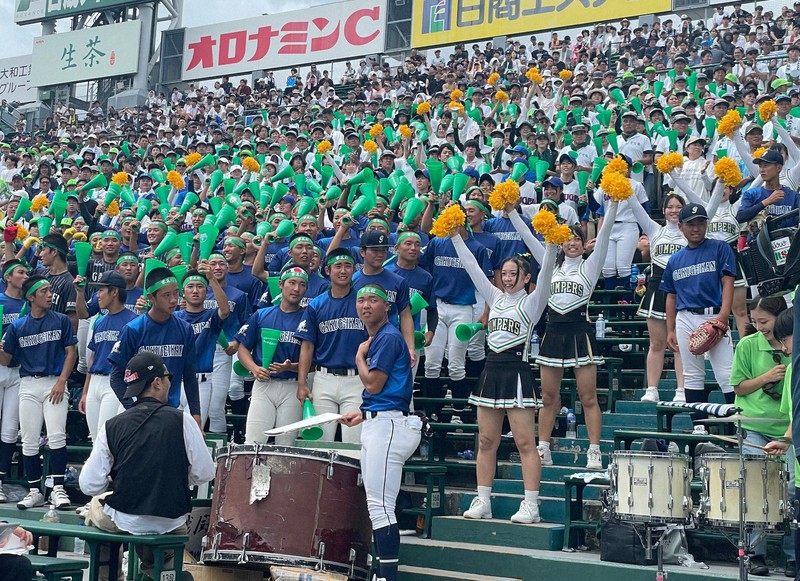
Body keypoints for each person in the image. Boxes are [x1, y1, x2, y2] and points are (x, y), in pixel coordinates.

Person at [448, 207, 556, 523]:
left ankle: (531, 504)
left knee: (524, 442)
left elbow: (547, 274)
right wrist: (454, 236)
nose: (507, 279)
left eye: (513, 274)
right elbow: (472, 267)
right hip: (491, 373)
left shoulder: (532, 303)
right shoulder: (494, 297)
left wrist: (551, 246)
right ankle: (483, 500)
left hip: (517, 374)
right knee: (486, 441)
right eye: (504, 274)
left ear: (526, 277)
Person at [79, 351, 215, 578]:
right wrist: (176, 477)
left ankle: (107, 576)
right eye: (169, 376)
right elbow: (205, 473)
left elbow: (89, 484)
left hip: (125, 515)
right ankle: (160, 570)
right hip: (171, 518)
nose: (170, 381)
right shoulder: (183, 420)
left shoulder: (112, 425)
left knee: (95, 508)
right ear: (157, 382)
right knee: (159, 534)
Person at [518, 199, 620, 470]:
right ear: (559, 242)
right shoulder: (550, 264)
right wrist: (511, 213)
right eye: (568, 238)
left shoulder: (590, 266)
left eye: (577, 238)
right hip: (552, 331)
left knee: (588, 396)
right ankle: (543, 447)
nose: (572, 243)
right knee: (548, 398)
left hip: (579, 332)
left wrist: (612, 205)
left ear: (584, 244)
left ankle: (594, 450)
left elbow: (605, 233)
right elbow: (528, 237)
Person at [338, 283, 421, 581]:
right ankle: (383, 574)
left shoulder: (386, 337)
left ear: (387, 306)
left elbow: (373, 385)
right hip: (379, 420)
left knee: (381, 506)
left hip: (389, 426)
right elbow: (386, 390)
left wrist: (359, 358)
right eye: (361, 300)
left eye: (373, 300)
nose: (365, 305)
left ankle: (388, 576)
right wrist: (362, 413)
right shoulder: (380, 337)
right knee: (378, 505)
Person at [0, 275, 77, 509]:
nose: (50, 295)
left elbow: (71, 352)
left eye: (50, 290)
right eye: (44, 291)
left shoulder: (61, 320)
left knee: (57, 435)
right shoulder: (18, 326)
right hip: (28, 384)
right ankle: (35, 491)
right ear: (31, 297)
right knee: (29, 439)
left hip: (55, 381)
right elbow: (7, 360)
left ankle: (58, 489)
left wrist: (62, 381)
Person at [730, 296, 793, 576]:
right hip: (755, 426)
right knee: (758, 487)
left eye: (764, 321)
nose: (759, 327)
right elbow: (738, 387)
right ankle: (756, 553)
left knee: (792, 491)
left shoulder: (793, 346)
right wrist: (766, 377)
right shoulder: (747, 345)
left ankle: (793, 556)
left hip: (789, 428)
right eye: (754, 321)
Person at [663, 204, 736, 410]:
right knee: (692, 374)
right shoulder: (675, 259)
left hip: (714, 314)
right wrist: (670, 329)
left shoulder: (720, 248)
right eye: (691, 224)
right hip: (685, 317)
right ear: (681, 227)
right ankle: (699, 425)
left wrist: (723, 315)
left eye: (700, 223)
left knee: (727, 374)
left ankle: (737, 425)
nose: (696, 228)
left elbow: (728, 282)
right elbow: (671, 296)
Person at [108, 266, 202, 428]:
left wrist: (196, 415)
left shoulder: (185, 329)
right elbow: (116, 377)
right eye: (166, 295)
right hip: (136, 410)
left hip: (170, 409)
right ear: (151, 297)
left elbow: (189, 376)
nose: (173, 300)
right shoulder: (133, 329)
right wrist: (133, 408)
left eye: (176, 293)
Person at [295, 248, 369, 443]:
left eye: (347, 266)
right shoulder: (316, 305)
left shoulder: (363, 303)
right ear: (327, 270)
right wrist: (302, 383)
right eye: (338, 266)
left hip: (356, 379)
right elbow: (307, 346)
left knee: (354, 443)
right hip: (324, 379)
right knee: (320, 443)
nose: (343, 271)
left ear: (354, 269)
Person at [237, 266, 307, 445]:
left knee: (286, 444)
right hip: (264, 384)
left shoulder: (308, 318)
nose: (296, 289)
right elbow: (243, 349)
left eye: (302, 285)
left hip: (292, 385)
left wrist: (290, 367)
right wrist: (254, 368)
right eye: (292, 283)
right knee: (253, 441)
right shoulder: (262, 315)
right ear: (281, 284)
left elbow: (313, 362)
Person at [631, 193, 688, 404]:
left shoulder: (689, 231)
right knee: (656, 343)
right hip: (657, 289)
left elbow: (708, 207)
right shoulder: (655, 229)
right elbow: (636, 207)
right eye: (670, 207)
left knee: (679, 344)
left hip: (681, 289)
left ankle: (681, 390)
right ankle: (652, 389)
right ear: (663, 210)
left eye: (678, 206)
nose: (674, 210)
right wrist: (622, 184)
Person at [74, 271, 138, 441]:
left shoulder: (132, 320)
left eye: (101, 290)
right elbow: (93, 358)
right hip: (95, 381)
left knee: (106, 436)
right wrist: (86, 391)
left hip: (115, 381)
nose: (97, 295)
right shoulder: (100, 321)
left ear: (114, 292)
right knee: (95, 439)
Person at [174, 262, 230, 432]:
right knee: (172, 432)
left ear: (207, 292)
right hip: (174, 381)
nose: (195, 290)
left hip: (201, 382)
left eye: (200, 287)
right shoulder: (174, 318)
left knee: (192, 432)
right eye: (190, 286)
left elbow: (225, 310)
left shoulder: (211, 317)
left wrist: (212, 279)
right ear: (183, 292)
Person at [763, 307, 797, 579]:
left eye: (785, 340)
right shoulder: (793, 370)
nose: (784, 348)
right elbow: (795, 417)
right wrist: (785, 441)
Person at [0, 259, 28, 501]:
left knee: (10, 429)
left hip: (18, 370)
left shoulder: (30, 304)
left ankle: (0, 480)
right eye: (21, 272)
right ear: (8, 277)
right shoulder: (1, 300)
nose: (25, 276)